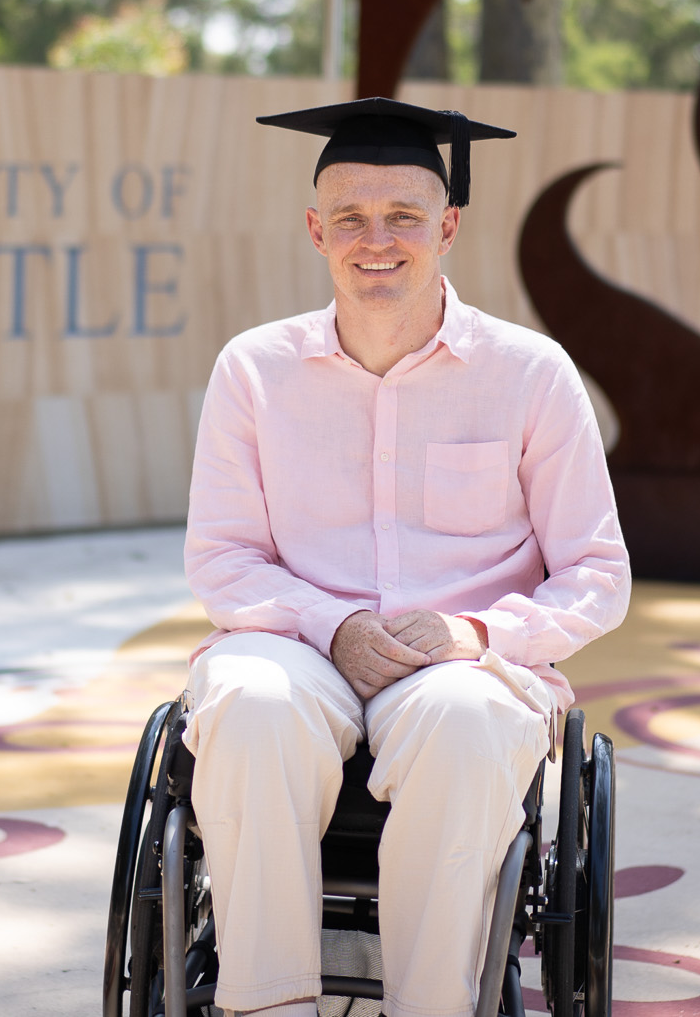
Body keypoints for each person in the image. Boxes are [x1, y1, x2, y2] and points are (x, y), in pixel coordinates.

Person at [182, 97, 632, 1017]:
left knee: (465, 721)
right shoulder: (252, 371)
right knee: (252, 702)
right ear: (316, 229)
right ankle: (266, 1009)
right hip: (298, 644)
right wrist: (332, 624)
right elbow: (223, 560)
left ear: (448, 227)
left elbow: (596, 572)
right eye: (349, 216)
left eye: (403, 217)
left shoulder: (531, 373)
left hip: (461, 664)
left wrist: (472, 630)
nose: (374, 239)